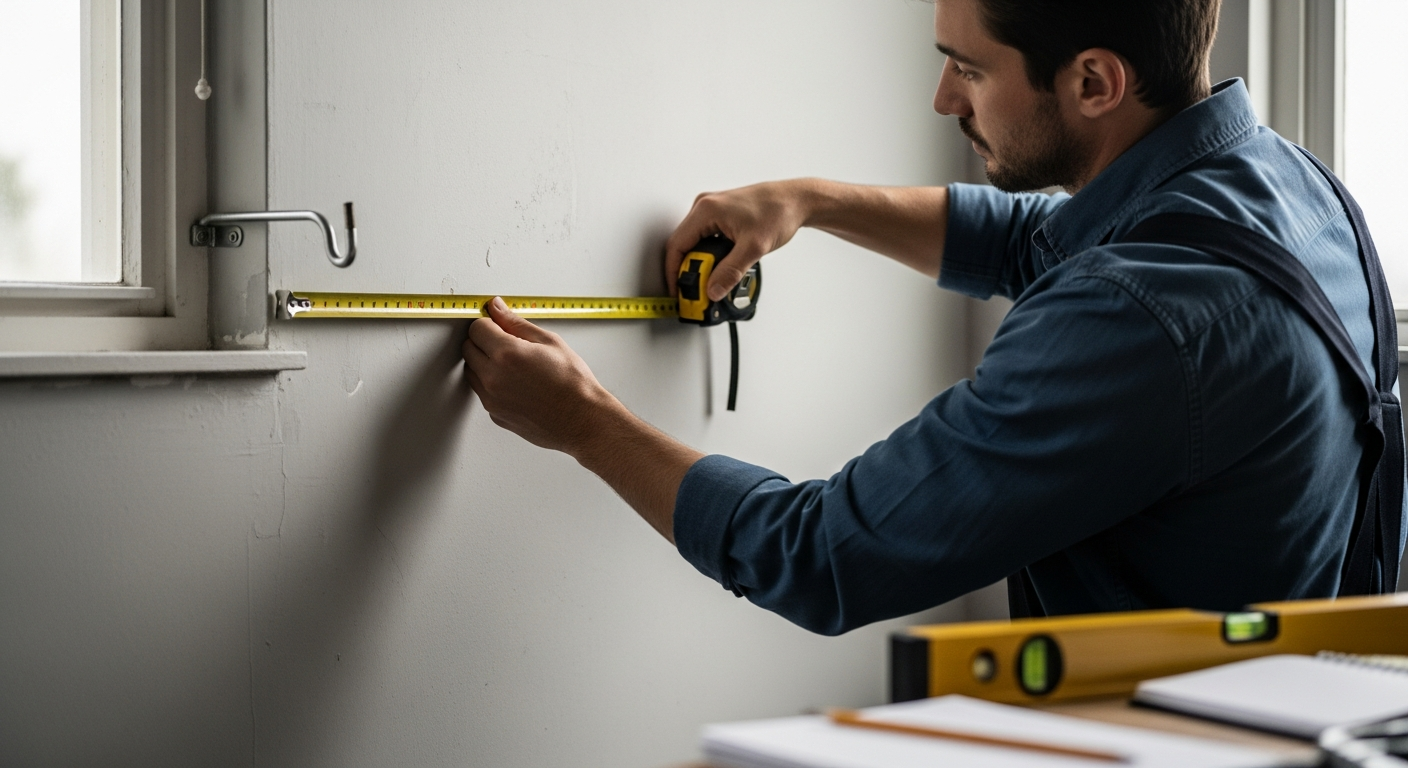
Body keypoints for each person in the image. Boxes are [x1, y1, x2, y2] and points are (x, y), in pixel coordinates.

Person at [461, 0, 1405, 633]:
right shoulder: (1282, 183)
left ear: (1093, 82)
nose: (943, 97)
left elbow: (823, 555)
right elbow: (1051, 238)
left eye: (968, 67)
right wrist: (812, 200)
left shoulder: (1137, 318)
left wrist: (585, 422)